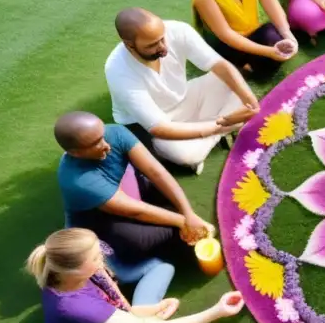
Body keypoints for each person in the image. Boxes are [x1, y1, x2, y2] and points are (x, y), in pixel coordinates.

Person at [27, 228, 245, 323]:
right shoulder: (76, 306)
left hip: (110, 317)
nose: (102, 257)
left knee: (163, 269)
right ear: (74, 270)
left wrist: (152, 309)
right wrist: (218, 310)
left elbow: (121, 304)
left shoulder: (72, 271)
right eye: (95, 257)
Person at [106, 7, 260, 172]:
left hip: (185, 97)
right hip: (154, 124)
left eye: (162, 38)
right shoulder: (117, 69)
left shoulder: (178, 30)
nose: (163, 47)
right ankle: (220, 131)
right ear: (129, 45)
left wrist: (250, 102)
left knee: (234, 84)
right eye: (152, 45)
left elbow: (220, 65)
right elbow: (159, 128)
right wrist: (222, 124)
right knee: (185, 156)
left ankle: (207, 134)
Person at [56, 112, 213, 261]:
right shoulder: (78, 180)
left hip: (128, 190)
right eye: (95, 143)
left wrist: (188, 213)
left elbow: (156, 172)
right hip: (103, 219)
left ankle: (184, 230)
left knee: (170, 194)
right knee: (140, 241)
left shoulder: (115, 132)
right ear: (75, 153)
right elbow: (135, 211)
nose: (106, 145)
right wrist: (182, 221)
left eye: (103, 135)